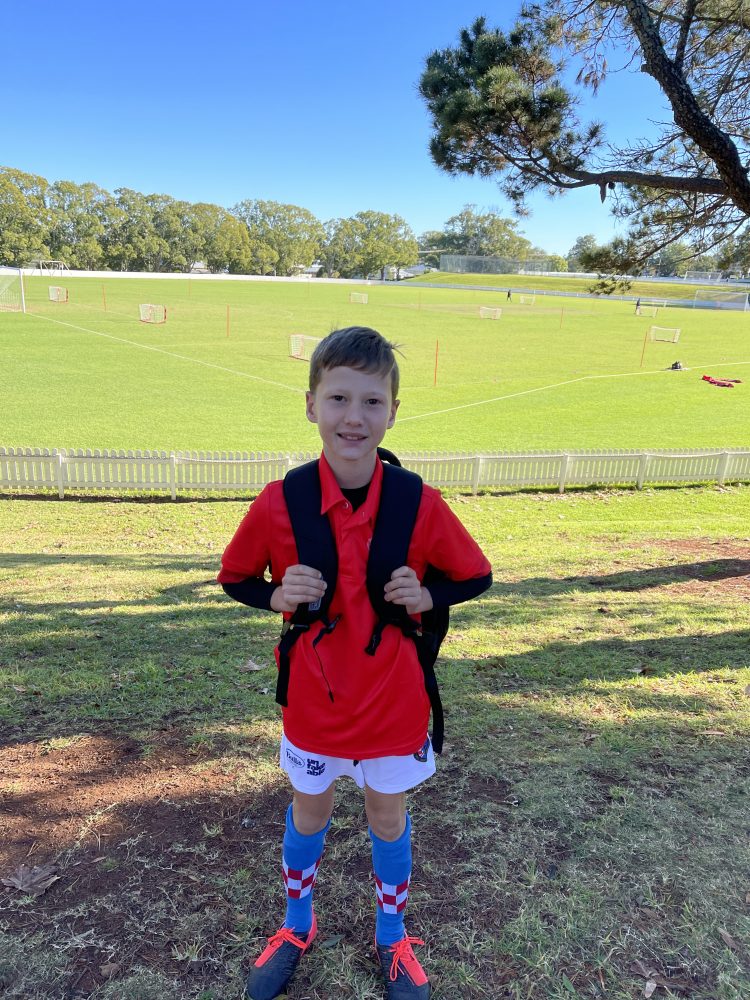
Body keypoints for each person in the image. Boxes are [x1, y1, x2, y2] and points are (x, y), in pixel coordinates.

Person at [218, 326, 492, 1000]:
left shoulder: (418, 503)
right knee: (309, 813)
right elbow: (236, 577)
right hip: (315, 704)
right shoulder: (280, 501)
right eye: (338, 397)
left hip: (395, 704)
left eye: (372, 402)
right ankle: (296, 924)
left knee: (387, 818)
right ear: (311, 404)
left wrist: (428, 593)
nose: (354, 416)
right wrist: (275, 593)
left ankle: (393, 936)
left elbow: (475, 574)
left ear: (392, 412)